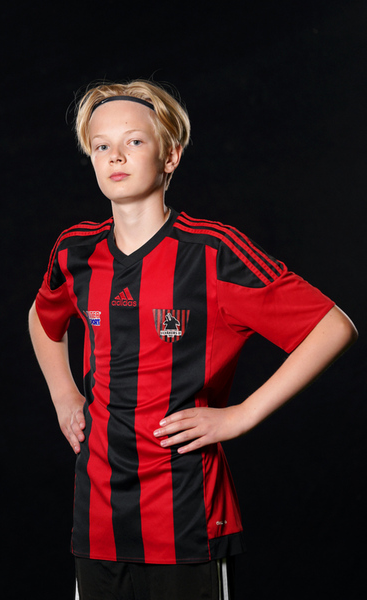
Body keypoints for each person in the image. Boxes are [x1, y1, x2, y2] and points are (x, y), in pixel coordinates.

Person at [28, 80, 358, 600]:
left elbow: (332, 326)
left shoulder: (214, 252)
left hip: (187, 517)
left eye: (135, 141)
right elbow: (43, 317)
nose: (116, 155)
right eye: (101, 145)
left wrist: (241, 415)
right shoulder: (75, 251)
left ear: (171, 156)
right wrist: (63, 394)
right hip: (97, 519)